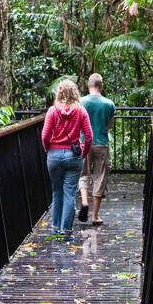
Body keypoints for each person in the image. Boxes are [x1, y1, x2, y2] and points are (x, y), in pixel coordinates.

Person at [41, 79, 92, 241]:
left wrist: (48, 150)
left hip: (54, 156)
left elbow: (45, 136)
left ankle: (55, 228)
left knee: (57, 192)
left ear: (60, 93)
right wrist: (83, 154)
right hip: (74, 155)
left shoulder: (52, 111)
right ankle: (66, 231)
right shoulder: (81, 111)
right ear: (75, 93)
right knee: (69, 193)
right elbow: (89, 137)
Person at [78, 73, 116, 226]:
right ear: (102, 86)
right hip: (101, 143)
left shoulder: (80, 102)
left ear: (88, 85)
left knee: (83, 174)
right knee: (100, 177)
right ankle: (94, 216)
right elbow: (110, 125)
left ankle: (85, 202)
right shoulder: (109, 104)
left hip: (83, 143)